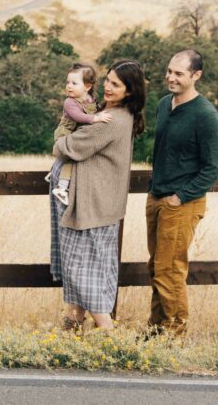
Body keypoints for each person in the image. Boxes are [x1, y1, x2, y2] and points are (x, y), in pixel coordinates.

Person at [49, 60, 146, 331]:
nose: (108, 87)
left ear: (130, 91)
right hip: (98, 204)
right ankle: (73, 324)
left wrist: (59, 141)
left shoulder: (111, 121)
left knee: (81, 268)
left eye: (116, 84)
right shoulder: (114, 113)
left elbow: (68, 146)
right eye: (108, 81)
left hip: (92, 204)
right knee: (87, 265)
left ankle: (107, 331)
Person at [146, 49, 218, 336]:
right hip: (157, 197)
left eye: (179, 73)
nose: (171, 77)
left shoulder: (205, 115)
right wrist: (156, 191)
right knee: (156, 267)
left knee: (170, 269)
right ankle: (155, 331)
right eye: (169, 71)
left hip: (182, 202)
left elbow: (213, 168)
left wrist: (179, 197)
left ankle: (175, 335)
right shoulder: (165, 104)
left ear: (196, 75)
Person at [49, 63, 113, 206]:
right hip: (65, 133)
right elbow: (78, 117)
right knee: (72, 157)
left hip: (76, 133)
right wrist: (95, 118)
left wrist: (99, 114)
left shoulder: (91, 100)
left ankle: (54, 171)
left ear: (87, 86)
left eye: (74, 83)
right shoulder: (69, 102)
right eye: (67, 82)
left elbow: (93, 111)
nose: (69, 86)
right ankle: (62, 187)